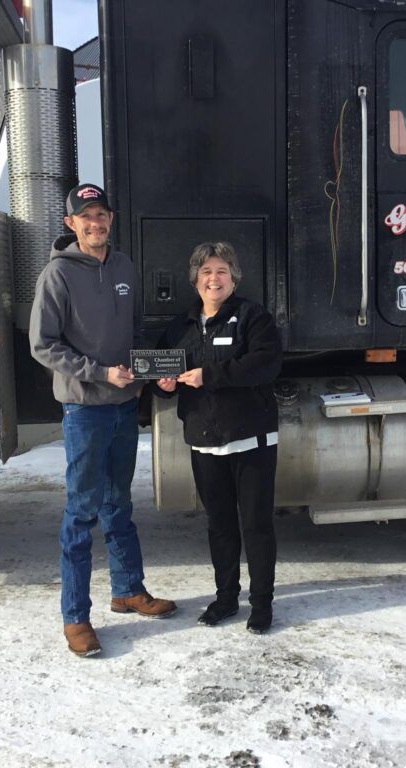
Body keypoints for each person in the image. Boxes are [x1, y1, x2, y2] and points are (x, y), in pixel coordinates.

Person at [29, 182, 177, 658]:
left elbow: (133, 331)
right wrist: (98, 373)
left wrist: (150, 373)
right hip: (84, 409)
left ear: (111, 219)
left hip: (121, 406)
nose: (96, 223)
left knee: (119, 505)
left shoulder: (123, 266)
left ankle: (128, 590)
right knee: (81, 513)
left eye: (102, 214)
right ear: (71, 224)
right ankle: (75, 617)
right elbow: (43, 345)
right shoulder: (57, 275)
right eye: (85, 216)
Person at [155, 242, 282, 634]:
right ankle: (226, 598)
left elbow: (265, 363)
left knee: (256, 525)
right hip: (204, 441)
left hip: (251, 439)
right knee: (220, 525)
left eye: (222, 271)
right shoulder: (180, 328)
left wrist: (210, 375)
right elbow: (163, 377)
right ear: (195, 279)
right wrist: (163, 386)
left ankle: (261, 604)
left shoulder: (253, 318)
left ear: (234, 278)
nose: (214, 278)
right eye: (206, 271)